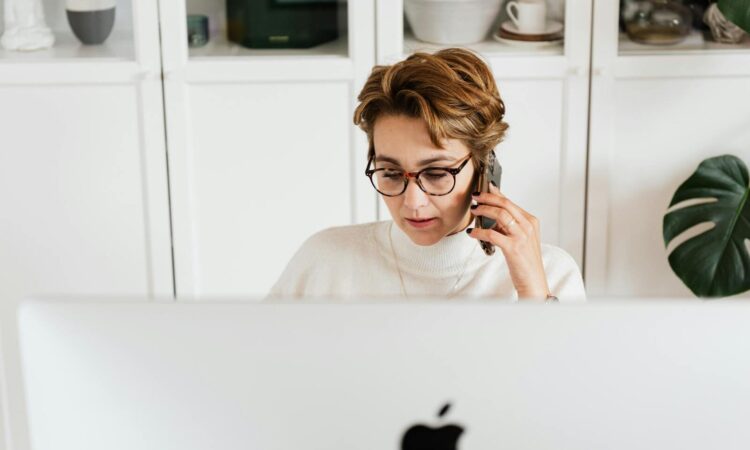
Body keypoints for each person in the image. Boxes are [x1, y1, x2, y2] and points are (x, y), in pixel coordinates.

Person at [266, 48, 585, 301]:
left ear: (483, 167)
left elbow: (568, 383)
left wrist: (533, 293)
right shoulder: (325, 261)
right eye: (390, 172)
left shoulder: (551, 273)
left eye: (436, 173)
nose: (412, 203)